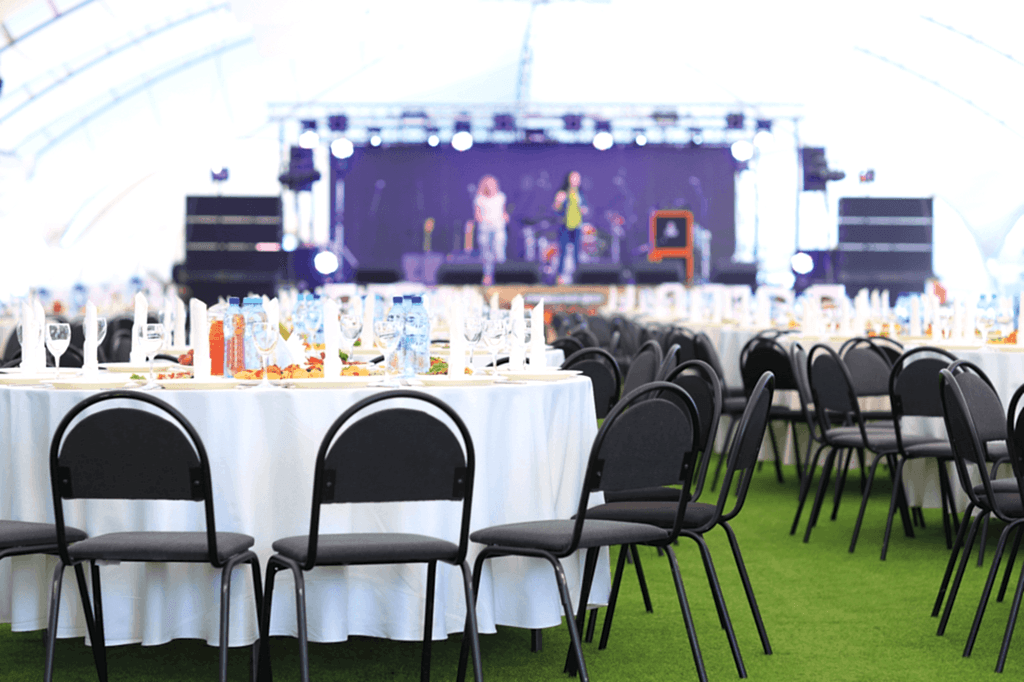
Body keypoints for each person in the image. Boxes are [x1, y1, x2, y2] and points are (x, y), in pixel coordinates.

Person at [474, 175, 509, 285]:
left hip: (498, 229)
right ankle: (487, 277)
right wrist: (484, 221)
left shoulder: (501, 197)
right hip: (485, 230)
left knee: (499, 253)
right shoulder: (479, 199)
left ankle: (501, 276)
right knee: (486, 255)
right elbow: (477, 215)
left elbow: (503, 211)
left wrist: (505, 217)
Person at [553, 170, 587, 283]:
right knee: (563, 251)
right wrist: (558, 202)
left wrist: (584, 210)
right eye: (574, 178)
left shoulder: (580, 194)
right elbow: (556, 209)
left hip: (577, 226)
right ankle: (560, 277)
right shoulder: (563, 193)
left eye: (578, 178)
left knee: (577, 252)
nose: (576, 181)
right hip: (565, 225)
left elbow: (584, 208)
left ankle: (577, 276)